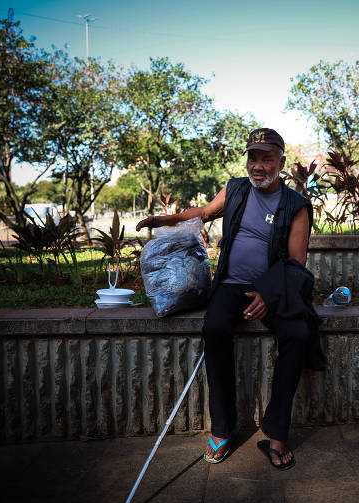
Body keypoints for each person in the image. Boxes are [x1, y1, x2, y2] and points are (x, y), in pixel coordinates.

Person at [136, 128, 324, 470]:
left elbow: (297, 263)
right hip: (231, 285)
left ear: (281, 162)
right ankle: (223, 428)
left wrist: (269, 294)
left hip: (276, 287)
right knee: (215, 329)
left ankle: (276, 432)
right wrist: (168, 220)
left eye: (267, 159)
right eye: (253, 157)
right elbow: (205, 213)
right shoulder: (236, 188)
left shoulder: (296, 205)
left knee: (297, 336)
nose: (258, 166)